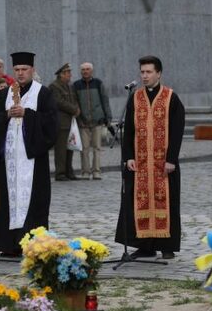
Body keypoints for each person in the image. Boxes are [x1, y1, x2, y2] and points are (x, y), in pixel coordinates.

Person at [0, 52, 58, 255]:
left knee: (34, 203)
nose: (20, 73)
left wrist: (28, 114)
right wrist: (7, 114)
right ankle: (7, 245)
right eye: (17, 69)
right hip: (7, 161)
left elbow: (52, 122)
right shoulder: (3, 95)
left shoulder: (43, 94)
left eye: (24, 69)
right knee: (3, 202)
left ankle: (33, 245)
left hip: (32, 161)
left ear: (32, 70)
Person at [114, 56, 185, 260]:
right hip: (140, 164)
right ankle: (144, 246)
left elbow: (177, 131)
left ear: (158, 73)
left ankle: (167, 246)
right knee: (137, 202)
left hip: (164, 164)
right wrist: (128, 156)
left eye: (149, 72)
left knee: (167, 202)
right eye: (142, 72)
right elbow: (129, 130)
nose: (144, 76)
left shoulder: (171, 98)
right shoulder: (135, 98)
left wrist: (171, 159)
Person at [72, 62, 112, 180]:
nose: (85, 71)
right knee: (84, 149)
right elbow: (74, 102)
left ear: (92, 70)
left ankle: (96, 171)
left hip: (97, 120)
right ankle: (85, 172)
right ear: (80, 71)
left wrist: (108, 117)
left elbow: (105, 100)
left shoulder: (98, 83)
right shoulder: (76, 85)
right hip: (83, 121)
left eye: (87, 69)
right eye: (83, 69)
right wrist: (78, 118)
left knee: (97, 148)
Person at [49, 63, 80, 181]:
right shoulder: (54, 86)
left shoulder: (69, 86)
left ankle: (69, 171)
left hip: (70, 121)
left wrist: (76, 108)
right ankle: (60, 173)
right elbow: (58, 102)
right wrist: (74, 109)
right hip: (60, 122)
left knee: (70, 147)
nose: (70, 75)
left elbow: (74, 99)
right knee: (61, 149)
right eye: (68, 73)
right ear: (61, 74)